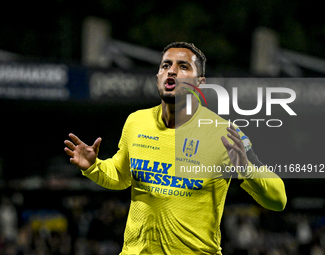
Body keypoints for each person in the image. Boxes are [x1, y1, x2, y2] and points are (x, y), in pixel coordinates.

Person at [64, 42, 287, 255]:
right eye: (166, 65)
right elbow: (121, 176)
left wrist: (247, 170)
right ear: (158, 77)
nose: (172, 71)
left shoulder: (226, 133)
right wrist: (94, 166)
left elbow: (278, 200)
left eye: (183, 66)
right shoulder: (136, 121)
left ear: (200, 82)